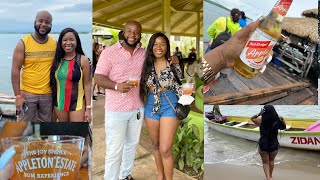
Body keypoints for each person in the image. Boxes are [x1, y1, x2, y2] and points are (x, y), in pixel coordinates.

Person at [95, 21, 178, 180]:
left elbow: (159, 58)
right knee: (114, 150)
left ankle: (125, 175)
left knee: (131, 146)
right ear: (123, 32)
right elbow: (98, 77)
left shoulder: (143, 54)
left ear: (140, 35)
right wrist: (116, 86)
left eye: (136, 32)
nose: (132, 35)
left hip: (138, 108)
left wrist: (172, 58)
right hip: (116, 109)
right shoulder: (109, 52)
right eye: (129, 31)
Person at [140, 32, 182, 180]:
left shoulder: (173, 63)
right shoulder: (145, 64)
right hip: (151, 105)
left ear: (167, 47)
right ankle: (160, 176)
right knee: (156, 145)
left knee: (165, 149)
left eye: (162, 44)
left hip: (169, 104)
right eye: (155, 44)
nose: (159, 47)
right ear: (151, 46)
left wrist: (188, 92)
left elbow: (180, 85)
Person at [11, 10, 56, 122]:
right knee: (24, 128)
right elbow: (15, 70)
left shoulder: (54, 43)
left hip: (48, 95)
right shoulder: (23, 43)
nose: (44, 24)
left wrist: (85, 62)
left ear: (51, 25)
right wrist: (17, 96)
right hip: (27, 95)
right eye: (40, 21)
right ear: (35, 21)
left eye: (47, 22)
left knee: (46, 128)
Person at [50, 28, 92, 122]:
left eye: (72, 39)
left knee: (76, 133)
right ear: (60, 42)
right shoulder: (57, 60)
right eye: (65, 40)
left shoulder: (83, 60)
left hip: (77, 105)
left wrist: (88, 109)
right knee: (64, 133)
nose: (68, 42)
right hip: (60, 105)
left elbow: (87, 84)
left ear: (77, 42)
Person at [202, 20, 260, 85]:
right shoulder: (239, 27)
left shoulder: (222, 19)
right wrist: (223, 57)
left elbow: (191, 79)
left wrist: (222, 57)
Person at [251, 105, 286, 180]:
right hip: (274, 144)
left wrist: (259, 114)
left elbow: (252, 118)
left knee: (265, 163)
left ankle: (268, 178)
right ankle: (270, 176)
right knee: (271, 161)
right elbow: (284, 127)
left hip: (263, 144)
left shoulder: (261, 121)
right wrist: (282, 119)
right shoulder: (278, 121)